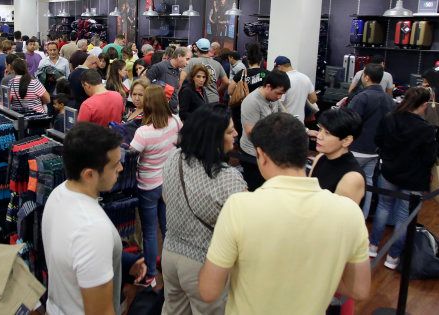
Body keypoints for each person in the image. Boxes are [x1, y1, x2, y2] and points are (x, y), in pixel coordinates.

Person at [198, 113, 371, 314]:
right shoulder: (349, 213)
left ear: (261, 155)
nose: (322, 136)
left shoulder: (239, 207)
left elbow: (208, 291)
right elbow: (359, 288)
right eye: (321, 131)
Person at [42, 123, 147, 315]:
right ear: (89, 174)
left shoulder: (59, 194)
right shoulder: (93, 229)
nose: (122, 168)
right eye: (115, 165)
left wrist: (122, 261)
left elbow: (72, 253)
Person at [162, 104, 245, 315]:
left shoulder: (175, 158)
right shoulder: (229, 178)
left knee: (173, 309)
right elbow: (241, 229)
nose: (236, 133)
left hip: (170, 254)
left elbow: (166, 197)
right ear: (213, 137)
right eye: (229, 131)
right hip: (205, 263)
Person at [369, 87, 437, 269]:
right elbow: (429, 158)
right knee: (403, 216)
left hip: (389, 171)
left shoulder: (390, 119)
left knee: (383, 207)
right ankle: (393, 257)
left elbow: (378, 140)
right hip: (413, 178)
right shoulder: (426, 129)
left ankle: (373, 246)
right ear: (423, 105)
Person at [130, 85, 183, 287]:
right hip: (167, 182)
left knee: (150, 232)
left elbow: (131, 155)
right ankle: (170, 269)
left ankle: (151, 273)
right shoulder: (176, 121)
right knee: (167, 228)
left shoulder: (143, 132)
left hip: (147, 186)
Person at [347, 63, 395, 218]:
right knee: (368, 184)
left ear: (366, 77)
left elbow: (350, 122)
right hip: (375, 151)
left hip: (357, 148)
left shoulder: (362, 97)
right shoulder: (389, 100)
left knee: (349, 182)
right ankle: (363, 216)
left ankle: (348, 218)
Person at [239, 70, 290, 191]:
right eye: (278, 93)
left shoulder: (274, 99)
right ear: (268, 87)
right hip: (252, 154)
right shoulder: (252, 102)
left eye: (282, 94)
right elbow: (251, 132)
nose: (279, 97)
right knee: (255, 189)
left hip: (267, 152)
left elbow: (286, 116)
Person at [310, 108, 365, 203]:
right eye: (320, 129)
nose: (319, 136)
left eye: (327, 133)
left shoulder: (352, 178)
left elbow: (341, 216)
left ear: (346, 140)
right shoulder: (320, 158)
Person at [228, 43, 265, 137]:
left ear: (248, 61)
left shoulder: (242, 73)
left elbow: (230, 91)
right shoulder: (266, 74)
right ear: (261, 60)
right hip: (260, 110)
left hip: (241, 109)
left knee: (242, 134)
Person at [181, 38, 229, 104]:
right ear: (209, 49)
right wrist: (217, 91)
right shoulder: (217, 64)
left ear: (197, 49)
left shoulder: (191, 61)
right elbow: (226, 82)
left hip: (195, 100)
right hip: (214, 100)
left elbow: (181, 79)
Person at [274, 55, 317, 123]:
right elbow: (314, 99)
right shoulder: (305, 77)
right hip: (300, 122)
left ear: (279, 67)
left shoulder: (282, 80)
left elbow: (279, 104)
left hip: (285, 122)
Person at [146, 47, 190, 112]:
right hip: (159, 112)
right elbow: (144, 83)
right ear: (179, 56)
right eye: (187, 59)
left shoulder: (178, 70)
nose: (188, 63)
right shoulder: (159, 67)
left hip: (172, 112)